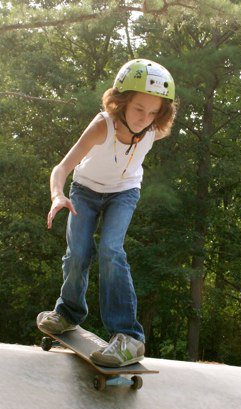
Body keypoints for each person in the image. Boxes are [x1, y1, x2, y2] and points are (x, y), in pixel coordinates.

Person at [38, 58, 176, 367]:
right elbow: (62, 167)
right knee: (78, 253)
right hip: (85, 191)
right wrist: (57, 195)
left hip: (124, 193)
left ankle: (128, 337)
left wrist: (152, 119)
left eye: (153, 112)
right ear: (121, 101)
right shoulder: (103, 125)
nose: (144, 119)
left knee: (111, 250)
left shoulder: (154, 129)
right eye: (138, 109)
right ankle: (68, 313)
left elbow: (155, 124)